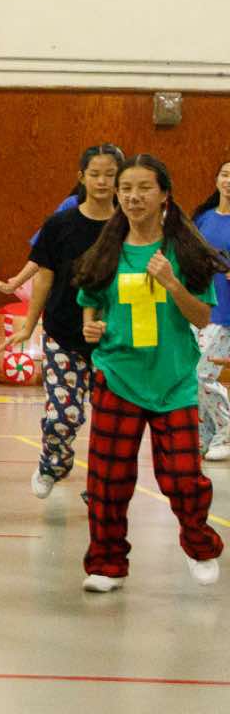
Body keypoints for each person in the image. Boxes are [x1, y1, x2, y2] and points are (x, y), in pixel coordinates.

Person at [74, 154, 227, 592]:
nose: (133, 197)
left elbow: (202, 317)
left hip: (172, 382)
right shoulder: (107, 251)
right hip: (117, 377)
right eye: (126, 189)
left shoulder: (185, 253)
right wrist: (90, 326)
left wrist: (172, 283)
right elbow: (90, 301)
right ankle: (106, 564)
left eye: (144, 188)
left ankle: (199, 546)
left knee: (182, 477)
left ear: (164, 196)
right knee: (107, 480)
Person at [8, 145, 123, 498]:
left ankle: (101, 483)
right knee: (62, 416)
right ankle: (53, 463)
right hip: (63, 335)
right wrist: (29, 324)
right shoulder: (60, 225)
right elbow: (44, 278)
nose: (102, 182)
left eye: (110, 175)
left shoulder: (128, 226)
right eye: (95, 174)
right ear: (81, 177)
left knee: (112, 420)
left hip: (115, 338)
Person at [188, 159, 230, 463]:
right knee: (191, 377)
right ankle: (204, 435)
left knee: (203, 375)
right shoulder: (203, 218)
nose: (229, 181)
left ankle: (226, 432)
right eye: (225, 174)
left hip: (226, 315)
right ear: (216, 179)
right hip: (201, 309)